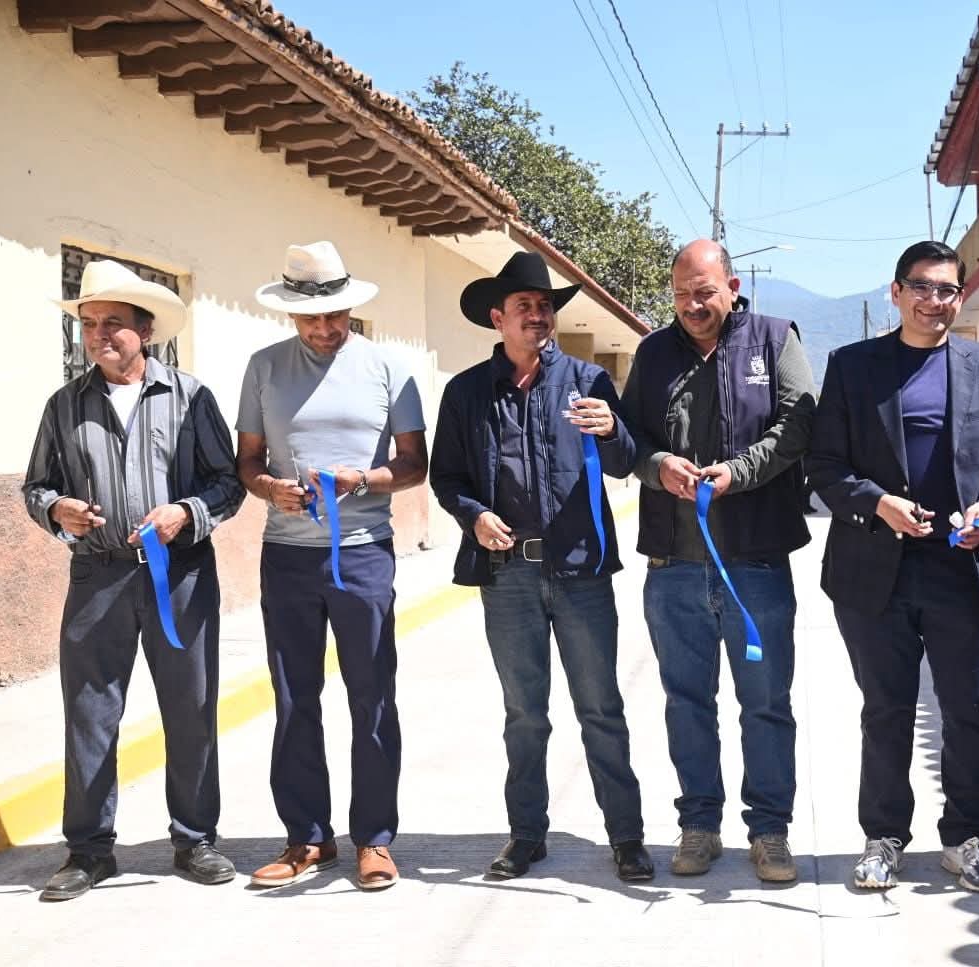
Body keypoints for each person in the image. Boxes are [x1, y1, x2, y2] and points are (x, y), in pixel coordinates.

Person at [806, 240, 979, 893]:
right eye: (923, 288)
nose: (936, 302)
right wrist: (877, 504)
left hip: (961, 569)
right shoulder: (852, 366)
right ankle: (882, 838)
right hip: (874, 571)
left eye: (947, 290)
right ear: (896, 292)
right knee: (886, 709)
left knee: (970, 710)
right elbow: (824, 464)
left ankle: (964, 839)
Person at [23, 260, 244, 901]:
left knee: (191, 709)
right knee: (90, 713)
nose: (100, 336)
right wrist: (56, 510)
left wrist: (184, 513)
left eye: (113, 323)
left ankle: (195, 839)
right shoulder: (63, 405)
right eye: (90, 324)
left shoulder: (189, 397)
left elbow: (227, 484)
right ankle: (88, 851)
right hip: (97, 575)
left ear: (144, 330)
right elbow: (38, 486)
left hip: (180, 577)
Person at [430, 251, 653, 882]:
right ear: (498, 318)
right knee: (525, 714)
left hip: (580, 571)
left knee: (600, 707)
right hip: (508, 577)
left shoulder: (587, 382)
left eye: (545, 306)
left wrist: (611, 428)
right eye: (525, 307)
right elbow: (447, 477)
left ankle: (626, 836)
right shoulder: (466, 393)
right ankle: (527, 834)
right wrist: (472, 514)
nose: (538, 316)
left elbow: (625, 460)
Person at [619, 239, 816, 882]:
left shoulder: (773, 340)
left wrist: (737, 471)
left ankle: (769, 831)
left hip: (755, 563)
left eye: (704, 292)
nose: (692, 306)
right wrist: (658, 466)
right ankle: (699, 825)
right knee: (686, 701)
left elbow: (797, 427)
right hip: (673, 564)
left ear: (732, 286)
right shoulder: (652, 354)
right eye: (681, 295)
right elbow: (628, 440)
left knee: (765, 703)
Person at [237, 241, 428, 891]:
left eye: (334, 315)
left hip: (365, 554)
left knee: (372, 696)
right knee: (294, 700)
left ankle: (373, 839)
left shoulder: (388, 368)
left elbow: (414, 464)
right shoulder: (262, 368)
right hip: (287, 557)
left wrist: (363, 478)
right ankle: (305, 838)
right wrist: (270, 489)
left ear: (351, 306)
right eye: (309, 318)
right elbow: (247, 462)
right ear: (290, 313)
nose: (323, 329)